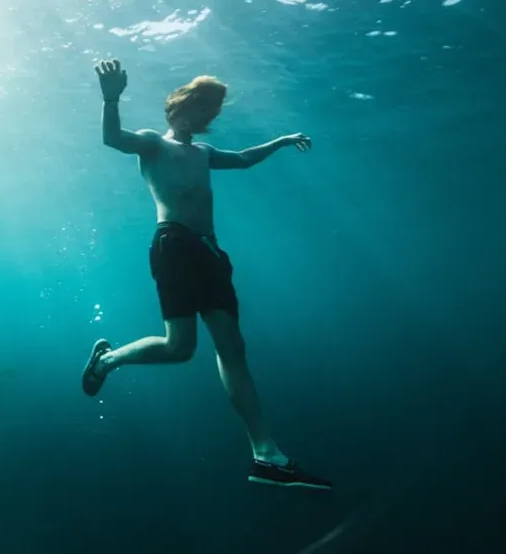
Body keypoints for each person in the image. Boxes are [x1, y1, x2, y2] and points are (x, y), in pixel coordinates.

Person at [81, 59, 331, 490]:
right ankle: (108, 359)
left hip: (211, 251)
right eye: (204, 110)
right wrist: (111, 97)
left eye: (213, 113)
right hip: (174, 244)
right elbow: (112, 139)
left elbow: (246, 159)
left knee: (233, 350)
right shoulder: (152, 144)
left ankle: (266, 455)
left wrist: (283, 140)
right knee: (180, 348)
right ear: (180, 109)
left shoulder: (205, 153)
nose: (209, 119)